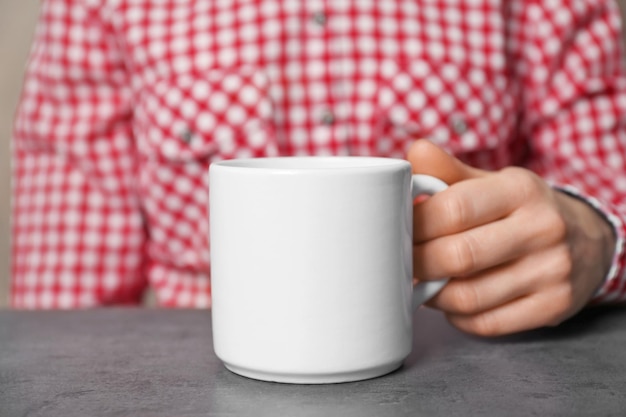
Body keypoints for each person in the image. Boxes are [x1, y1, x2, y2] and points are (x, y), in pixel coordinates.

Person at [11, 0, 626, 336]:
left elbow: (609, 189)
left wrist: (597, 234)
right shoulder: (93, 7)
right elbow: (64, 324)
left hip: (477, 379)